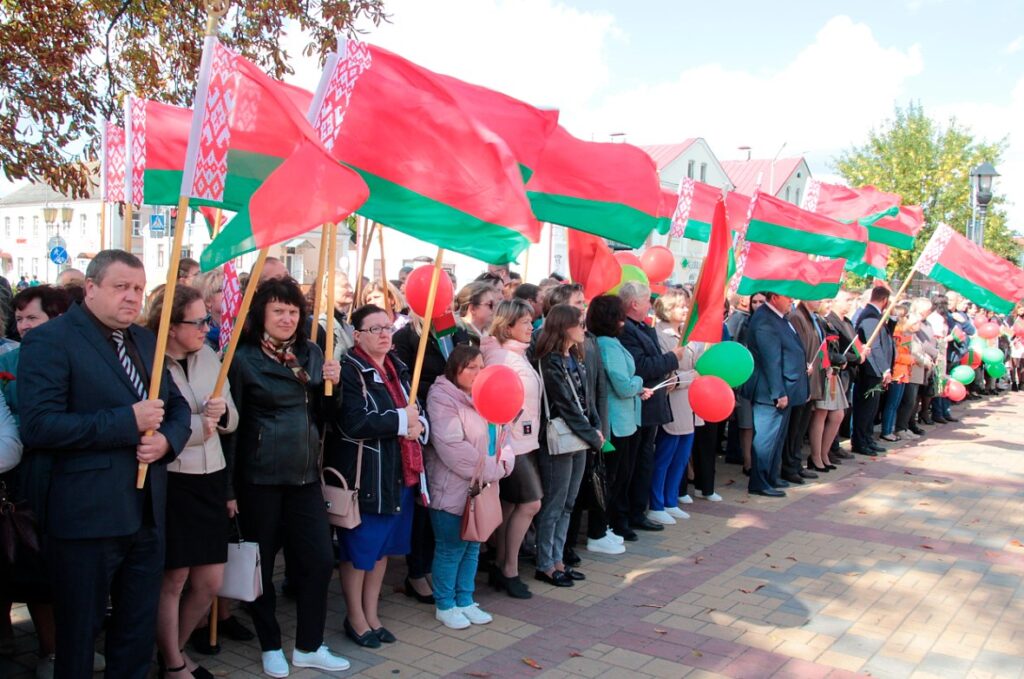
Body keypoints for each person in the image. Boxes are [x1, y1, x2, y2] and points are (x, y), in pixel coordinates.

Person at [18, 249, 192, 678]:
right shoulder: (51, 340)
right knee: (79, 636)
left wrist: (167, 442)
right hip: (86, 518)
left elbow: (177, 409)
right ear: (90, 288)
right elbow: (40, 427)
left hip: (146, 515)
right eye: (121, 287)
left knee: (134, 633)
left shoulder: (146, 340)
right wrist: (126, 422)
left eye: (137, 288)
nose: (132, 297)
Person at [222, 276, 348, 677]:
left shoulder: (311, 352)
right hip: (259, 478)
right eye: (278, 310)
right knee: (260, 564)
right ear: (261, 313)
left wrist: (334, 384)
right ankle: (270, 643)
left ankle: (310, 645)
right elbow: (232, 428)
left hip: (305, 477)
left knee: (318, 559)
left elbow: (328, 417)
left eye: (293, 311)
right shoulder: (240, 359)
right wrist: (228, 488)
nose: (287, 318)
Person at [147, 286, 239, 679]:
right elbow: (157, 429)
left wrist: (222, 414)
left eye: (208, 319)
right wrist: (201, 427)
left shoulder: (210, 356)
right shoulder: (149, 363)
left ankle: (176, 649)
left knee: (211, 579)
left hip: (211, 476)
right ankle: (172, 662)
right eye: (198, 321)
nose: (207, 327)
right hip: (173, 478)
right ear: (170, 326)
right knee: (175, 576)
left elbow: (232, 417)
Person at [333, 304, 427, 648]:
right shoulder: (350, 370)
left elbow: (416, 410)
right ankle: (355, 616)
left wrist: (419, 425)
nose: (385, 334)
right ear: (357, 336)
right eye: (375, 329)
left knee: (383, 550)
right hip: (368, 475)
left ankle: (372, 613)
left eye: (387, 327)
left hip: (401, 473)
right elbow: (354, 422)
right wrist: (403, 421)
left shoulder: (397, 366)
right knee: (360, 552)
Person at [0, 286, 72, 678]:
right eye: (21, 318)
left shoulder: (72, 357)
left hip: (65, 476)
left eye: (34, 318)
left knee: (62, 570)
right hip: (20, 482)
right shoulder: (9, 360)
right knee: (32, 568)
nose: (25, 326)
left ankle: (63, 647)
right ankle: (45, 648)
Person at [425, 346, 514, 629]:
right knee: (451, 547)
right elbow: (452, 448)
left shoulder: (487, 394)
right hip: (453, 488)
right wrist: (492, 469)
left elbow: (505, 436)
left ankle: (465, 599)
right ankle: (445, 604)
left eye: (480, 366)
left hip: (484, 487)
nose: (477, 373)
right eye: (470, 367)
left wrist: (502, 464)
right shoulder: (441, 398)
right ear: (455, 369)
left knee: (473, 545)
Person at [533, 304, 603, 587]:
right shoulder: (549, 361)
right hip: (560, 440)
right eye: (579, 323)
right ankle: (545, 563)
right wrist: (591, 434)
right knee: (554, 503)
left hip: (581, 438)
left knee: (569, 503)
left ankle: (558, 558)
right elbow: (565, 405)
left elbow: (587, 398)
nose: (584, 328)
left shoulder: (575, 355)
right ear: (564, 327)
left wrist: (595, 427)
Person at [480, 300, 544, 598]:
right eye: (525, 323)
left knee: (510, 506)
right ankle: (509, 568)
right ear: (507, 327)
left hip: (526, 441)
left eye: (531, 321)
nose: (532, 327)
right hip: (511, 444)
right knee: (531, 504)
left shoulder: (518, 354)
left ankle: (501, 565)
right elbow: (498, 401)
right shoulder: (502, 358)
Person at [618, 282, 685, 534]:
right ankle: (627, 515)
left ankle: (638, 510)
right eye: (647, 300)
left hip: (652, 405)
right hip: (640, 406)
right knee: (633, 464)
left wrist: (668, 368)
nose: (650, 304)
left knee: (644, 460)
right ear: (634, 303)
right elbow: (642, 366)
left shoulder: (644, 327)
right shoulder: (626, 331)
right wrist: (672, 358)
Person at [587, 295, 642, 553]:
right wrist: (639, 383)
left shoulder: (607, 342)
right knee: (610, 479)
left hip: (623, 419)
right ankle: (599, 530)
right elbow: (622, 384)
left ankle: (605, 527)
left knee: (616, 477)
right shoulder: (607, 345)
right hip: (616, 422)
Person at [742, 291, 809, 497]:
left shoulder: (778, 317)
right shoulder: (765, 320)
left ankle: (770, 476)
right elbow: (771, 360)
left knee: (777, 437)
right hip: (769, 392)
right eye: (787, 296)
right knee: (765, 439)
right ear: (774, 298)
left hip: (784, 388)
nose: (792, 299)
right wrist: (778, 392)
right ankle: (759, 482)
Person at [650, 289, 697, 523]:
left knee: (681, 454)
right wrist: (682, 378)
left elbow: (698, 368)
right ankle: (656, 503)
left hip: (688, 401)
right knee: (665, 454)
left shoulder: (686, 333)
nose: (686, 309)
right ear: (668, 309)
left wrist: (684, 377)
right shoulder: (658, 334)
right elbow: (667, 371)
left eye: (686, 305)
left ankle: (671, 499)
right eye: (680, 306)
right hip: (670, 401)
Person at [783, 299, 825, 484]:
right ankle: (789, 466)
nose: (820, 301)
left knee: (800, 428)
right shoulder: (797, 317)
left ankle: (796, 464)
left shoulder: (811, 318)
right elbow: (798, 349)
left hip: (811, 380)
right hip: (801, 381)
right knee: (794, 428)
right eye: (817, 297)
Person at [852, 287, 894, 455]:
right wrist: (885, 368)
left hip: (874, 371)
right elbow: (874, 345)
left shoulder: (877, 314)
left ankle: (868, 439)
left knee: (871, 409)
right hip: (870, 370)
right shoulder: (870, 315)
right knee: (865, 409)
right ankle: (860, 442)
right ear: (885, 300)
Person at [881, 304, 913, 442]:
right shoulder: (896, 335)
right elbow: (895, 355)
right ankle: (886, 430)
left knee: (896, 404)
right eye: (905, 316)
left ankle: (891, 428)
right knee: (891, 404)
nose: (907, 318)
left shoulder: (904, 334)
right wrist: (910, 359)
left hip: (903, 373)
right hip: (896, 373)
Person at [194, 269, 225, 350]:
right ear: (208, 300)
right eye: (222, 289)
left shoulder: (246, 329)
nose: (230, 292)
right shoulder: (199, 337)